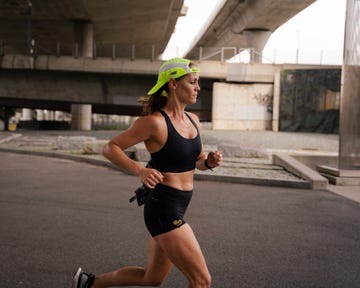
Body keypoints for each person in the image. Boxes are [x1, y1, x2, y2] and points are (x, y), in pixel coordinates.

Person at [72, 57, 222, 288]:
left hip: (180, 203)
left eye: (197, 82)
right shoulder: (154, 123)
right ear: (173, 84)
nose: (198, 88)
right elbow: (110, 147)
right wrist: (140, 170)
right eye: (193, 82)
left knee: (151, 278)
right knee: (201, 281)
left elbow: (196, 162)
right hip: (163, 207)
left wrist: (209, 162)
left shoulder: (194, 121)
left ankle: (89, 283)